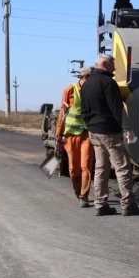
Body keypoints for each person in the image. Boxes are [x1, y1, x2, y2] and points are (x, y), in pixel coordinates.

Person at [80, 54, 139, 217]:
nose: (114, 68)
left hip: (94, 131)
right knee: (123, 167)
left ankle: (101, 204)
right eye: (112, 65)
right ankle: (128, 204)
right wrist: (127, 128)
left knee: (101, 167)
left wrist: (91, 126)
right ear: (103, 64)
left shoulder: (86, 84)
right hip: (109, 131)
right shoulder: (108, 83)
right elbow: (117, 108)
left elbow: (84, 111)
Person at [56, 66, 95, 208]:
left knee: (86, 166)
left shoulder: (93, 91)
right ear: (86, 77)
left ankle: (84, 196)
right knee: (73, 168)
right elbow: (63, 113)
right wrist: (58, 133)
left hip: (87, 134)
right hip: (70, 134)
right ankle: (77, 190)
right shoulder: (70, 90)